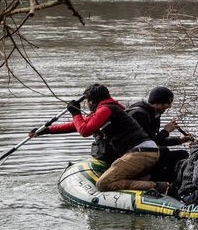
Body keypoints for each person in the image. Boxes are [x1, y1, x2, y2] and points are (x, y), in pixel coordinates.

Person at [30, 83, 166, 193]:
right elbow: (76, 125)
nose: (87, 106)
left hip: (140, 153)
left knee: (103, 184)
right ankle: (153, 186)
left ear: (91, 101)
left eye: (87, 103)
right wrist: (46, 130)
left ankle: (158, 186)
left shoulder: (106, 109)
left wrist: (76, 112)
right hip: (146, 152)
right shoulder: (109, 108)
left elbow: (84, 131)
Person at [126, 86, 192, 181]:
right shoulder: (139, 114)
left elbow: (155, 140)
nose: (169, 106)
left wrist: (179, 140)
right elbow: (150, 143)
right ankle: (163, 183)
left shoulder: (154, 113)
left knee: (175, 153)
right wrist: (166, 131)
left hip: (144, 150)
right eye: (168, 103)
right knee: (176, 154)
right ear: (158, 102)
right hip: (132, 154)